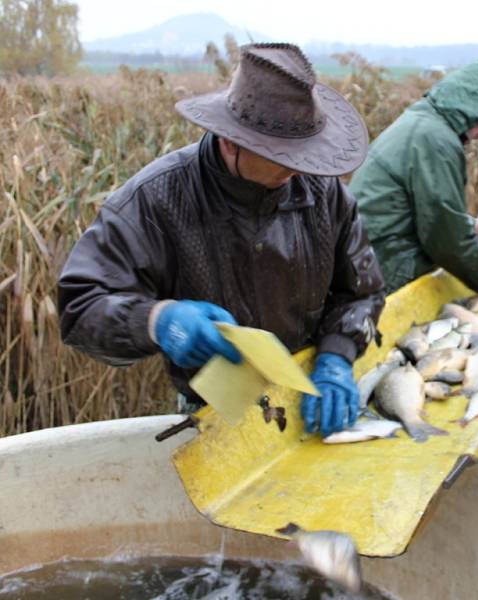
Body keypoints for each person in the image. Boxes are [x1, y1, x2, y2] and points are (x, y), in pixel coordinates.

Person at [58, 43, 386, 437]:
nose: (299, 170)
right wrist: (158, 320)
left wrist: (337, 357)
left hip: (309, 394)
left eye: (306, 156)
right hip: (213, 412)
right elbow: (81, 307)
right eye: (285, 157)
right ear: (231, 141)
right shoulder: (155, 199)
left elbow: (363, 292)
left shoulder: (324, 193)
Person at [348, 58, 478, 295]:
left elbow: (439, 216)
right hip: (378, 263)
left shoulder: (421, 120)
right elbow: (447, 241)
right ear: (471, 109)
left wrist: (477, 229)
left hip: (360, 252)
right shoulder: (436, 140)